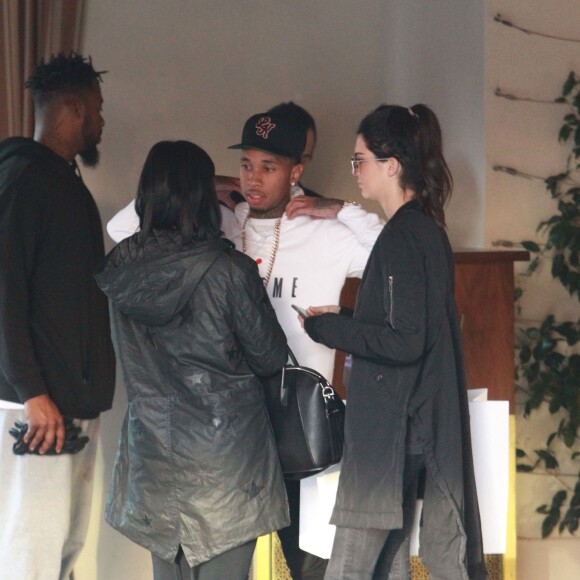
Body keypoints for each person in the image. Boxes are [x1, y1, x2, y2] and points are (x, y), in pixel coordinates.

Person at [301, 104, 487, 579]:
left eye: (360, 159)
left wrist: (329, 329)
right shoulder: (424, 230)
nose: (355, 171)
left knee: (351, 569)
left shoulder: (404, 236)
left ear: (392, 165)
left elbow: (404, 340)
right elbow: (406, 327)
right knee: (387, 565)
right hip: (412, 424)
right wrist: (344, 316)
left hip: (393, 431)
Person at [95, 140, 289, 580]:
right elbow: (271, 356)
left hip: (153, 456)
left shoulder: (121, 268)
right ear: (204, 196)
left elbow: (123, 224)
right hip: (226, 466)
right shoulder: (230, 270)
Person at [228, 110, 384, 579]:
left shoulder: (325, 233)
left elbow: (400, 253)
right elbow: (124, 228)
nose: (253, 179)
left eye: (269, 167)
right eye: (246, 165)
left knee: (313, 567)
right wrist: (206, 187)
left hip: (304, 432)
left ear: (297, 171)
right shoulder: (222, 227)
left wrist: (341, 209)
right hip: (234, 429)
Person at [0, 53, 116, 580]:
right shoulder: (26, 181)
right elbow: (3, 293)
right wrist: (32, 392)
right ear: (73, 108)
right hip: (38, 410)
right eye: (96, 108)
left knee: (63, 553)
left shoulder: (60, 182)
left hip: (66, 404)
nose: (102, 120)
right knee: (33, 554)